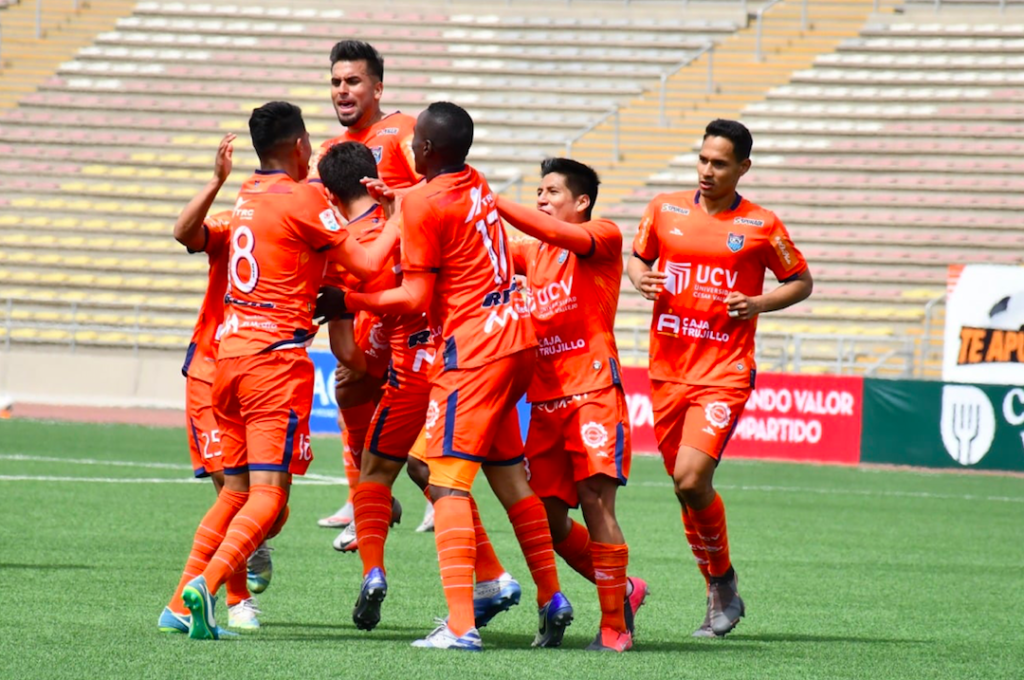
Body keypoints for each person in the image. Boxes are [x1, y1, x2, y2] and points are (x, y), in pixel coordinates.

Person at [315, 102, 572, 652]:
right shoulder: (473, 181)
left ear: (426, 151)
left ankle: (460, 625)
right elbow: (434, 200)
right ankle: (552, 598)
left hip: (473, 351)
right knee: (509, 480)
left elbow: (414, 296)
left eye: (415, 145)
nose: (409, 150)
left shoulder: (425, 202)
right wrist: (399, 199)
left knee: (444, 481)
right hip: (517, 338)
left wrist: (347, 297)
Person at [171, 101, 398, 640]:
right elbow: (366, 264)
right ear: (300, 148)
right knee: (268, 498)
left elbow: (188, 233)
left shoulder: (248, 197)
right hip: (273, 361)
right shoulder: (303, 200)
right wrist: (402, 212)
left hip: (228, 356)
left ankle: (179, 605)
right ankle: (207, 587)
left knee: (238, 496)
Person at [627, 119, 813, 638]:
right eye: (704, 159)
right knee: (686, 487)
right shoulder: (664, 209)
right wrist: (642, 278)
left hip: (724, 371)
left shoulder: (761, 225)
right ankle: (720, 587)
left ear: (743, 168)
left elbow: (800, 280)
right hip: (667, 370)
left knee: (690, 477)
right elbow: (637, 260)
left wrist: (757, 303)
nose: (708, 170)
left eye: (720, 163)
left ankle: (722, 580)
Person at [497, 158, 646, 653]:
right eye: (538, 190)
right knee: (547, 519)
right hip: (544, 402)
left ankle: (614, 628)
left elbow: (537, 227)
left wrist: (489, 196)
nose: (542, 198)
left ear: (580, 202)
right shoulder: (534, 251)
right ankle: (624, 588)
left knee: (596, 504)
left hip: (593, 393)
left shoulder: (602, 237)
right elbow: (485, 246)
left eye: (552, 191)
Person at [309, 39, 427, 537]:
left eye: (353, 81)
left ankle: (430, 490)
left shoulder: (402, 131)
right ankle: (367, 496)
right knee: (350, 383)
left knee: (401, 394)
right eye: (336, 82)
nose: (343, 90)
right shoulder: (330, 152)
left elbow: (435, 187)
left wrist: (393, 200)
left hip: (405, 292)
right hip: (360, 281)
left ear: (377, 87)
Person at [157, 133, 261, 634]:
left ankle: (250, 547)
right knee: (232, 488)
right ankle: (235, 598)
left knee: (261, 496)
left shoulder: (300, 230)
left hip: (262, 371)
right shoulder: (232, 228)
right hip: (210, 371)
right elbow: (183, 231)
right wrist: (217, 181)